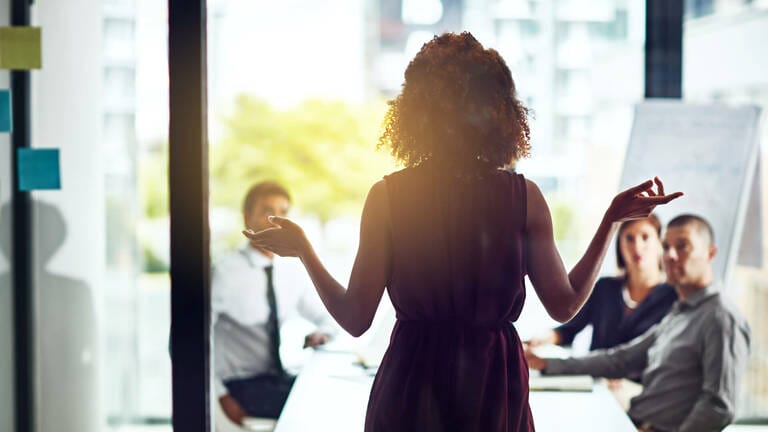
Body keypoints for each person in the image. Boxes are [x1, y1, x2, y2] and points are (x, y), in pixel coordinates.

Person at [244, 32, 682, 432]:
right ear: (497, 111)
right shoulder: (523, 197)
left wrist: (305, 250)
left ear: (418, 111)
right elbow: (564, 305)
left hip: (412, 381)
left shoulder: (389, 197)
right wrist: (609, 221)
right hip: (492, 383)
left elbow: (356, 320)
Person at [526, 214, 751, 432]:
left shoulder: (720, 316)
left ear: (710, 253)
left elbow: (719, 406)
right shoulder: (682, 312)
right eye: (666, 246)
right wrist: (546, 364)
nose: (671, 255)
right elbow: (622, 359)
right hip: (632, 419)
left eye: (683, 246)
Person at [212, 181, 337, 424]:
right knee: (313, 404)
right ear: (247, 218)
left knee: (326, 391)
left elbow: (329, 318)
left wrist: (322, 333)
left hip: (274, 378)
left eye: (283, 212)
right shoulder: (224, 273)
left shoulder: (290, 271)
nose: (276, 220)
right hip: (239, 385)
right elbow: (188, 343)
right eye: (267, 211)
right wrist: (219, 394)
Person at [528, 214, 678, 352]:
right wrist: (542, 339)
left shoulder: (674, 296)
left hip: (642, 381)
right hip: (595, 379)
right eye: (629, 238)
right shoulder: (604, 288)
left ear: (660, 244)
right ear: (619, 245)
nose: (637, 247)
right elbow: (568, 329)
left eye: (645, 237)